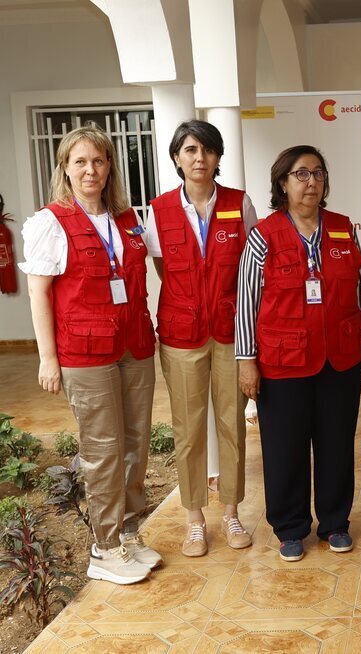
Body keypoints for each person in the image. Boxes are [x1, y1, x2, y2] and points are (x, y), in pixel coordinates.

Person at [20, 125, 159, 584]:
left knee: (136, 441)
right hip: (84, 351)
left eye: (98, 161)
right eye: (80, 161)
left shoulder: (126, 218)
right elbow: (39, 294)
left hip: (134, 344)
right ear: (65, 167)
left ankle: (130, 532)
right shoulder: (50, 222)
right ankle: (105, 547)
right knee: (103, 448)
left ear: (109, 166)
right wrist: (47, 357)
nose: (90, 170)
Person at [236, 145, 361, 562]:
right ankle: (291, 527)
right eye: (301, 174)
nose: (311, 182)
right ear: (283, 183)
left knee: (336, 443)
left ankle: (335, 522)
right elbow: (246, 301)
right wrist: (247, 360)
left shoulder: (342, 229)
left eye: (317, 173)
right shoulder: (264, 235)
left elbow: (359, 291)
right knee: (285, 446)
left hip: (340, 357)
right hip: (282, 361)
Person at [142, 120, 258, 557]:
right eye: (189, 150)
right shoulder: (159, 209)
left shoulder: (238, 203)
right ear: (176, 158)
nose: (199, 158)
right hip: (181, 335)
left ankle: (230, 512)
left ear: (217, 158)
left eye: (207, 150)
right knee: (188, 430)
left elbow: (248, 272)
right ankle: (194, 518)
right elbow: (163, 270)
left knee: (232, 425)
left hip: (230, 331)